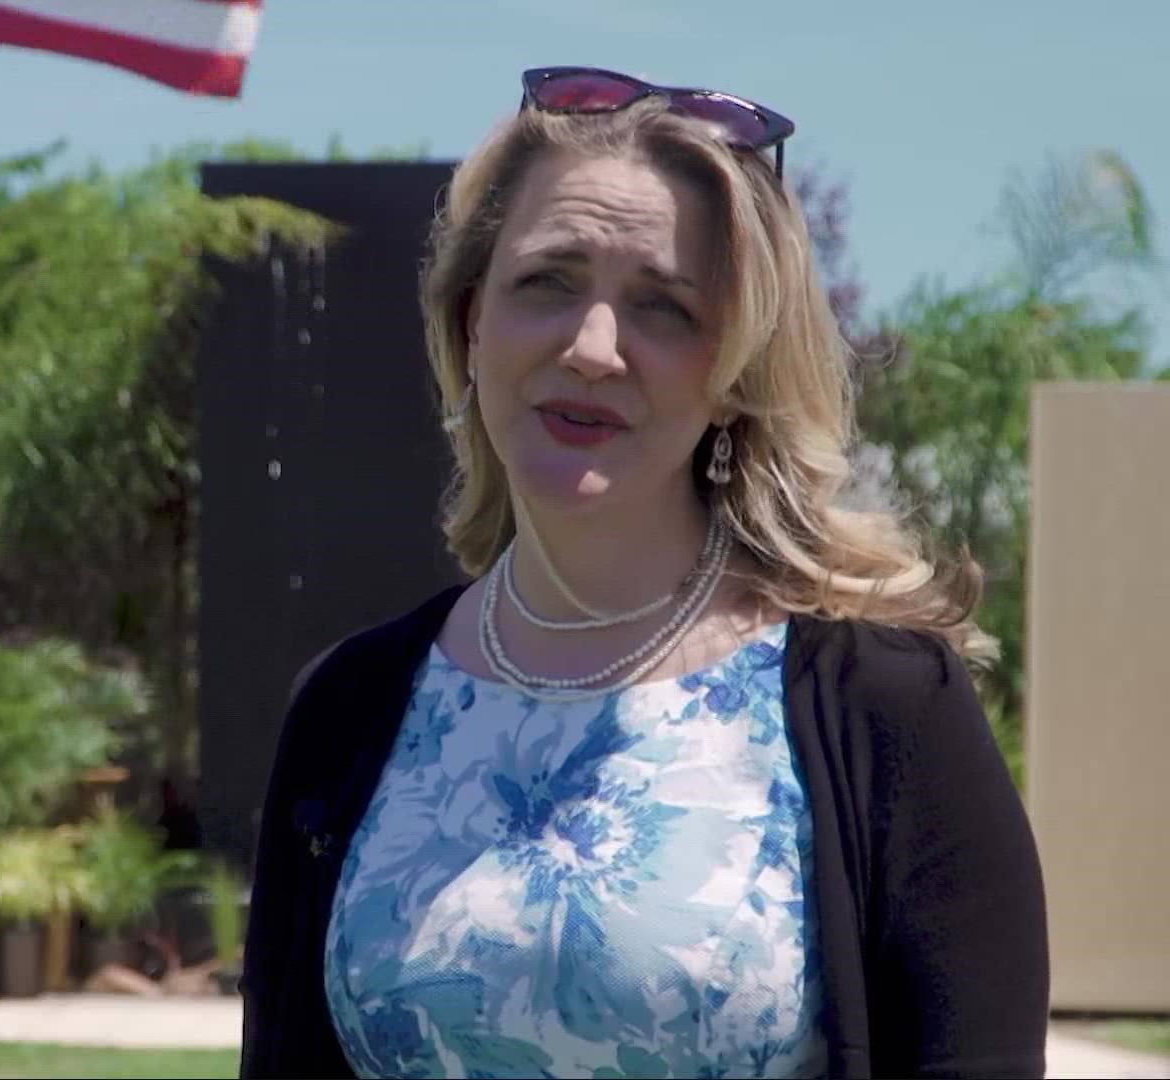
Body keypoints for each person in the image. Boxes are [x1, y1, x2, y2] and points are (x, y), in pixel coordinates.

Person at [238, 66, 1048, 1080]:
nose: (592, 348)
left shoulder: (882, 704)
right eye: (548, 283)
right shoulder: (348, 707)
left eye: (663, 308)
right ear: (470, 322)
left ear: (736, 374)